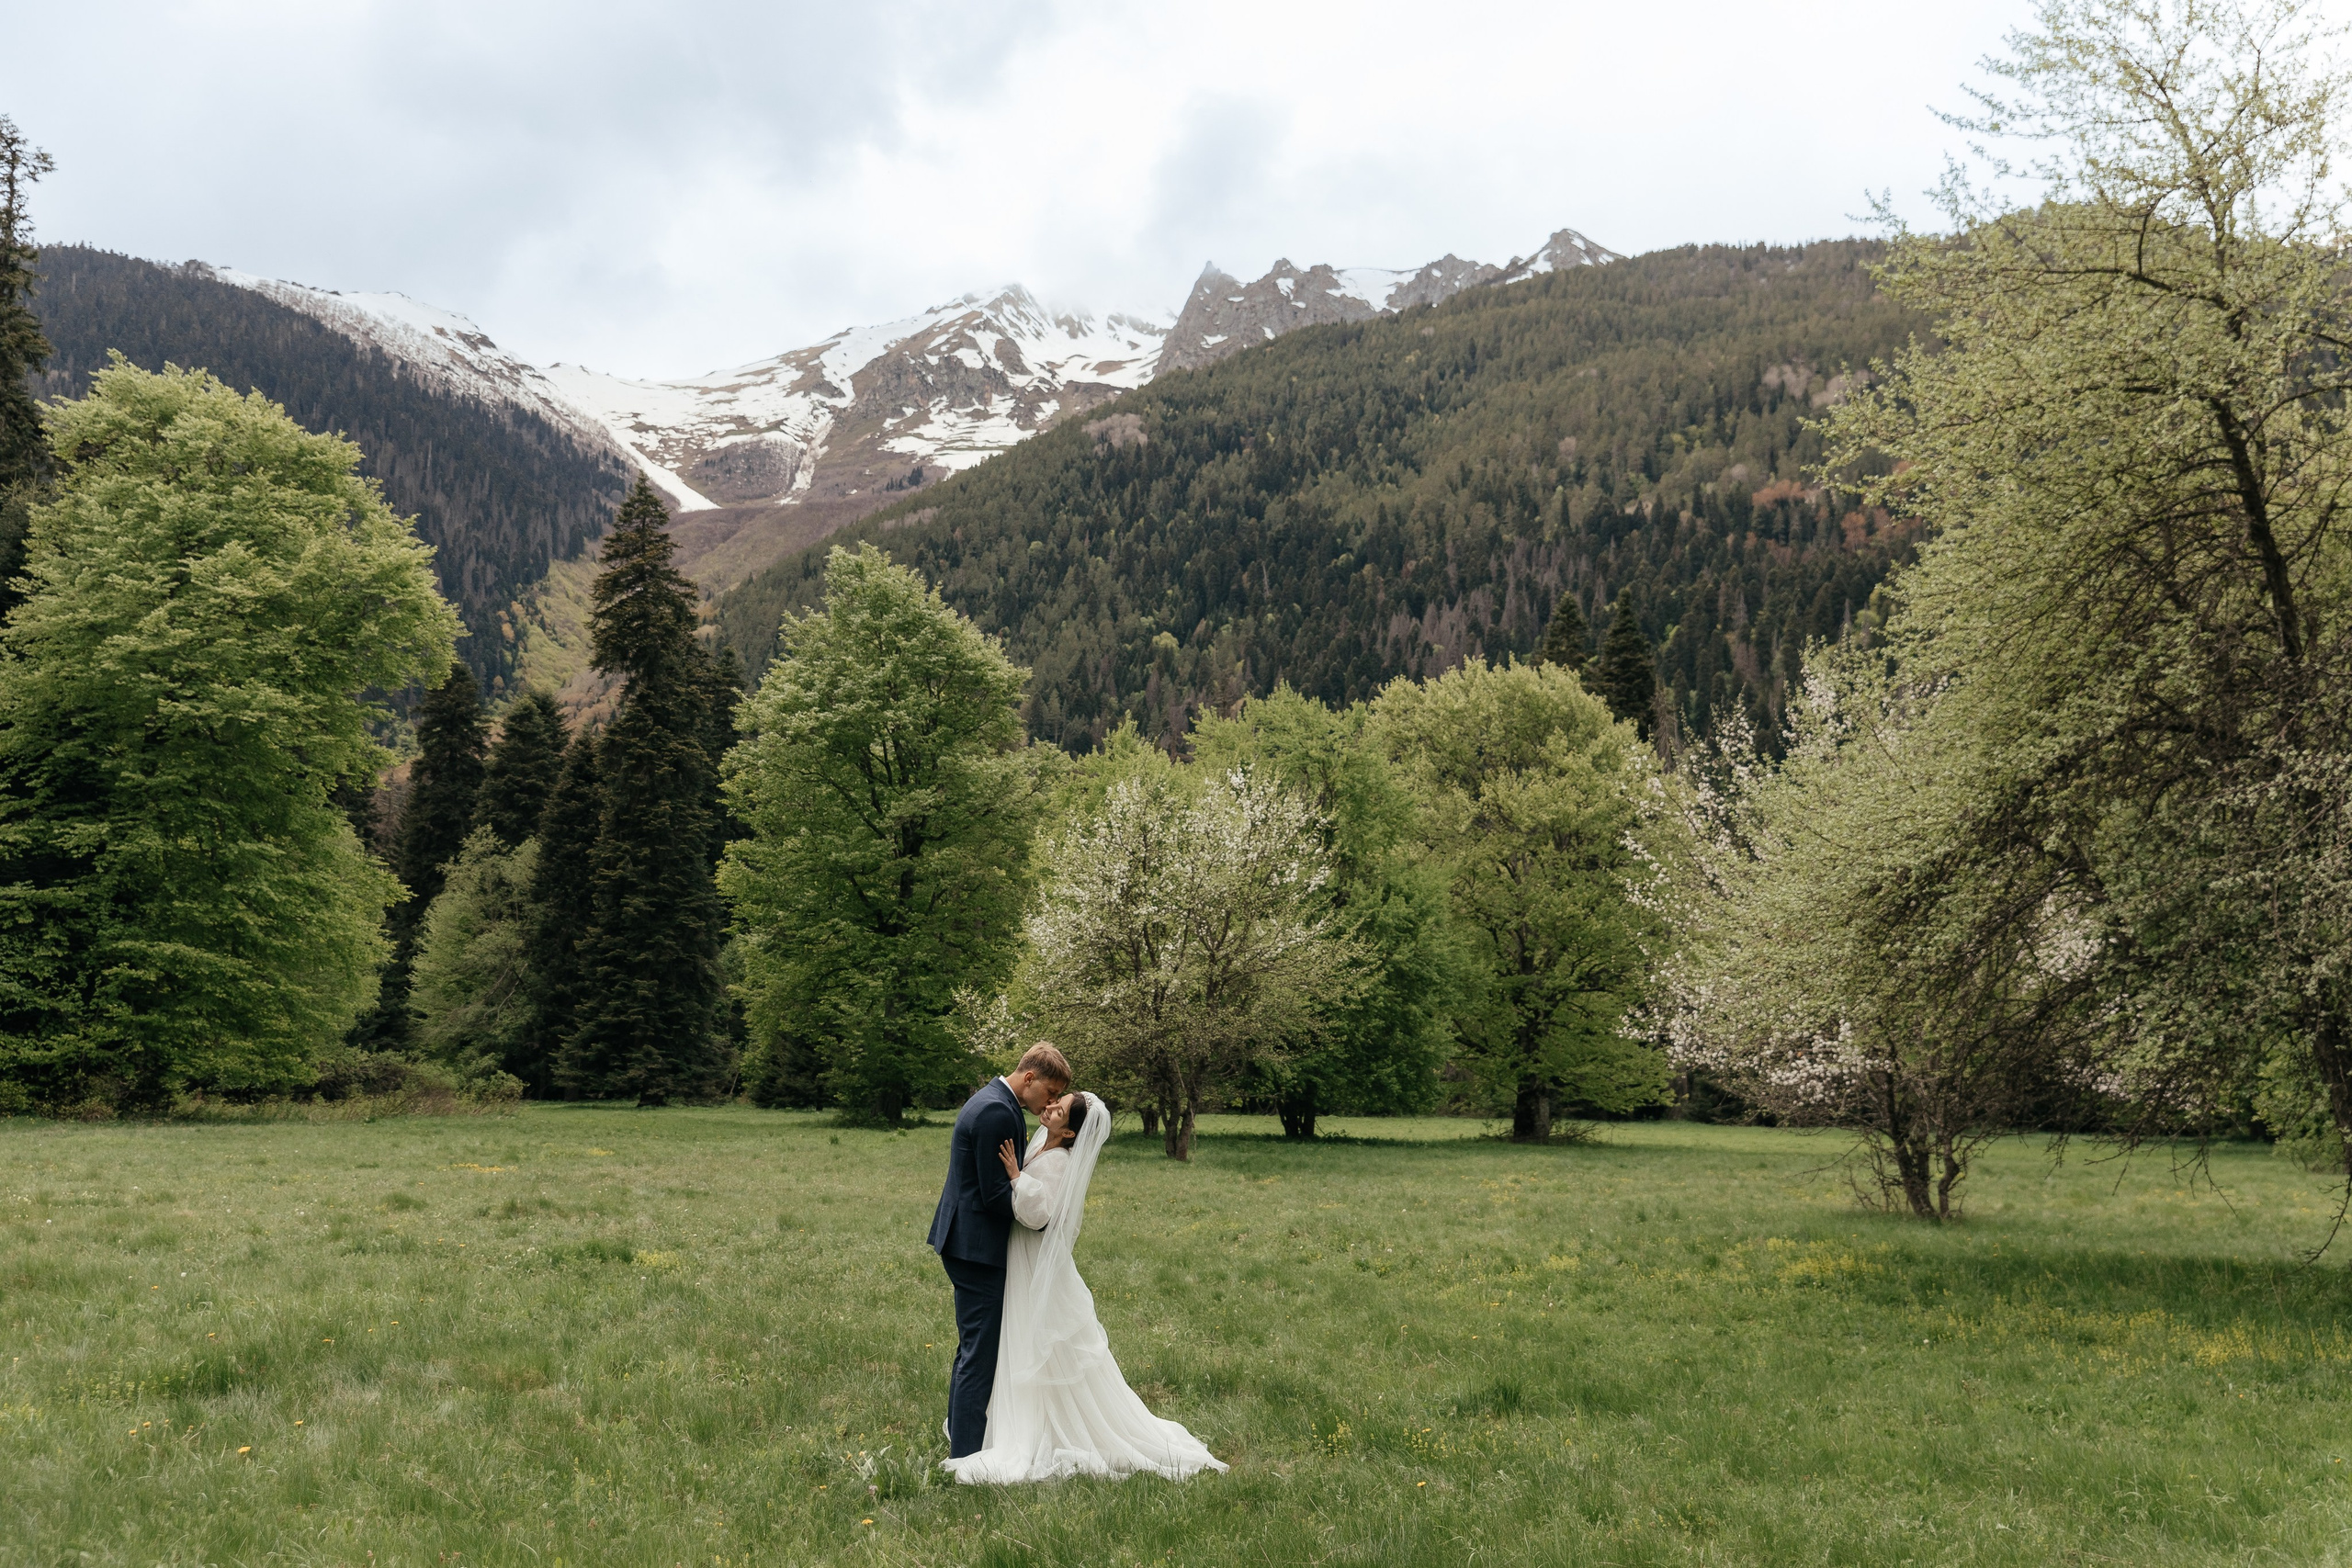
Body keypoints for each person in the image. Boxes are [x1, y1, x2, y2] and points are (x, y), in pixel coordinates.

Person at [942, 1089, 1228, 1484]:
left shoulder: (1059, 1161)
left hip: (1031, 1253)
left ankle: (1044, 1427)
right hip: (1021, 1256)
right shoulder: (1042, 1140)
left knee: (1038, 1339)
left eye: (1061, 1108)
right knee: (1017, 1334)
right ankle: (1007, 1421)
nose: (1052, 1105)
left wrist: (1014, 1177)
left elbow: (1039, 1216)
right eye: (1056, 1100)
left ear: (1072, 1132)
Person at [929, 1043, 1069, 1459]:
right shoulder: (996, 1111)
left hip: (967, 1241)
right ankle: (966, 1456)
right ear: (1030, 1078)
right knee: (979, 1352)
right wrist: (1035, 1205)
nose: (1050, 1103)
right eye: (1049, 1093)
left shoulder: (995, 1100)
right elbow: (994, 1197)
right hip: (976, 1247)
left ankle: (962, 1434)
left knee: (972, 1344)